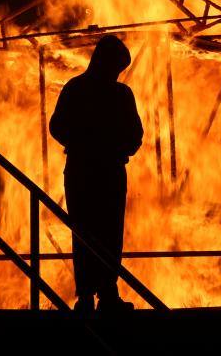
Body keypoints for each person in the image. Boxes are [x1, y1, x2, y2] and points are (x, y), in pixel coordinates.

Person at [49, 35, 143, 312]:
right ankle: (99, 295)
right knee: (100, 231)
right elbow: (134, 135)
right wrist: (111, 146)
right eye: (116, 67)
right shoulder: (116, 94)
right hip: (101, 171)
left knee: (93, 233)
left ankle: (98, 294)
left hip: (85, 170)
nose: (117, 74)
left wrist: (80, 144)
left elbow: (57, 127)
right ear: (104, 61)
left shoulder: (78, 89)